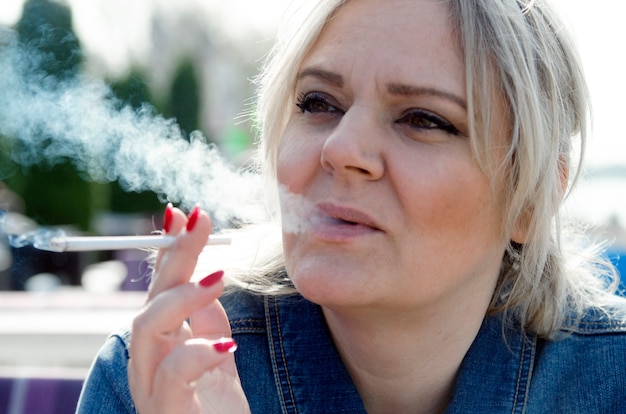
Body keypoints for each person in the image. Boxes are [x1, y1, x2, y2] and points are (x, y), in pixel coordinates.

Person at [76, 0, 626, 412]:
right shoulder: (157, 381)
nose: (339, 149)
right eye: (318, 103)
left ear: (531, 201)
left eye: (423, 119)